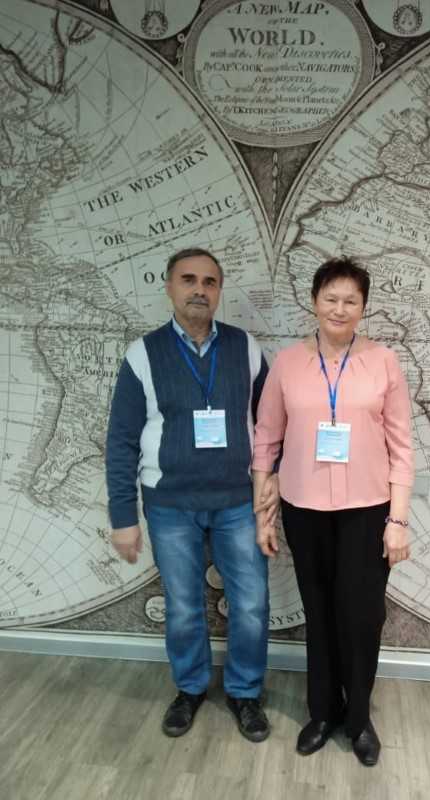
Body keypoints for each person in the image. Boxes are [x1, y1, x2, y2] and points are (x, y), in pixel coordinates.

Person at [106, 247, 277, 743]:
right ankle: (191, 688)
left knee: (251, 604)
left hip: (238, 502)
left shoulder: (246, 349)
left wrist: (270, 481)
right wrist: (123, 516)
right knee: (183, 606)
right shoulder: (142, 355)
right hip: (170, 505)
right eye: (188, 280)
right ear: (169, 287)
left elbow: (271, 425)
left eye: (209, 281)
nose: (199, 290)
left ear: (219, 290)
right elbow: (121, 440)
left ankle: (244, 692)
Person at [252, 256, 414, 766]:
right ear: (314, 301)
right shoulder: (287, 363)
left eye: (350, 300)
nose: (339, 309)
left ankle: (359, 719)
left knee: (362, 617)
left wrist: (398, 521)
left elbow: (402, 448)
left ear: (363, 307)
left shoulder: (383, 362)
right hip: (304, 509)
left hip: (367, 511)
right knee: (319, 613)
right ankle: (322, 713)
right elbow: (266, 441)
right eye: (331, 298)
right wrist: (263, 514)